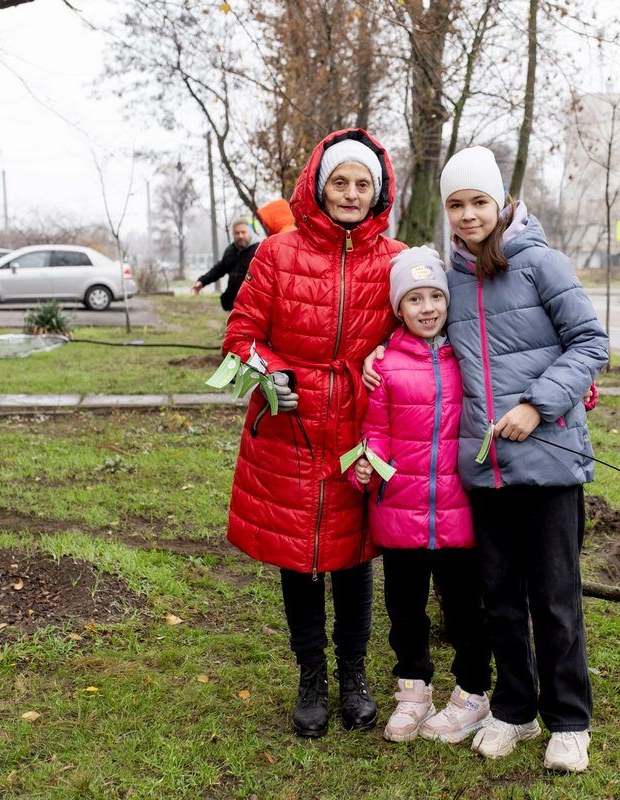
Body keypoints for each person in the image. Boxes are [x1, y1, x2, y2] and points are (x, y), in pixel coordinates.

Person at [221, 130, 405, 738]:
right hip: (289, 427)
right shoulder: (276, 254)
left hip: (361, 426)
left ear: (378, 193)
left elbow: (422, 327)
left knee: (354, 559)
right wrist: (270, 371)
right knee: (298, 560)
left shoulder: (396, 258)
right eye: (340, 182)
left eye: (363, 184)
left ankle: (353, 673)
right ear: (318, 187)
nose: (351, 194)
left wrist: (383, 351)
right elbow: (241, 334)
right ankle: (312, 678)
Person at [438, 146, 608, 772]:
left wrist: (538, 405)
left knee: (555, 595)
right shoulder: (449, 276)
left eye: (479, 201)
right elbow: (421, 338)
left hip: (550, 458)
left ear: (501, 201)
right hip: (485, 466)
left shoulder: (542, 263)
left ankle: (569, 720)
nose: (468, 214)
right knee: (499, 595)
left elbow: (591, 342)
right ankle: (515, 708)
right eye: (456, 204)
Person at [349, 245, 492, 744]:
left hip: (461, 516)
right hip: (400, 515)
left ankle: (474, 691)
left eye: (435, 296)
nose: (427, 308)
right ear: (398, 308)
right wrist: (365, 464)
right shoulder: (385, 366)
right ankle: (414, 691)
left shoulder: (468, 358)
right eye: (414, 299)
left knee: (465, 611)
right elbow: (376, 431)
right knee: (405, 610)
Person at [191, 217, 258, 311]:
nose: (240, 236)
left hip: (253, 307)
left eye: (243, 232)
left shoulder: (259, 251)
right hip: (233, 305)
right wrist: (202, 282)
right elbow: (219, 269)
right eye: (237, 233)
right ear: (233, 234)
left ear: (249, 232)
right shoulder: (230, 251)